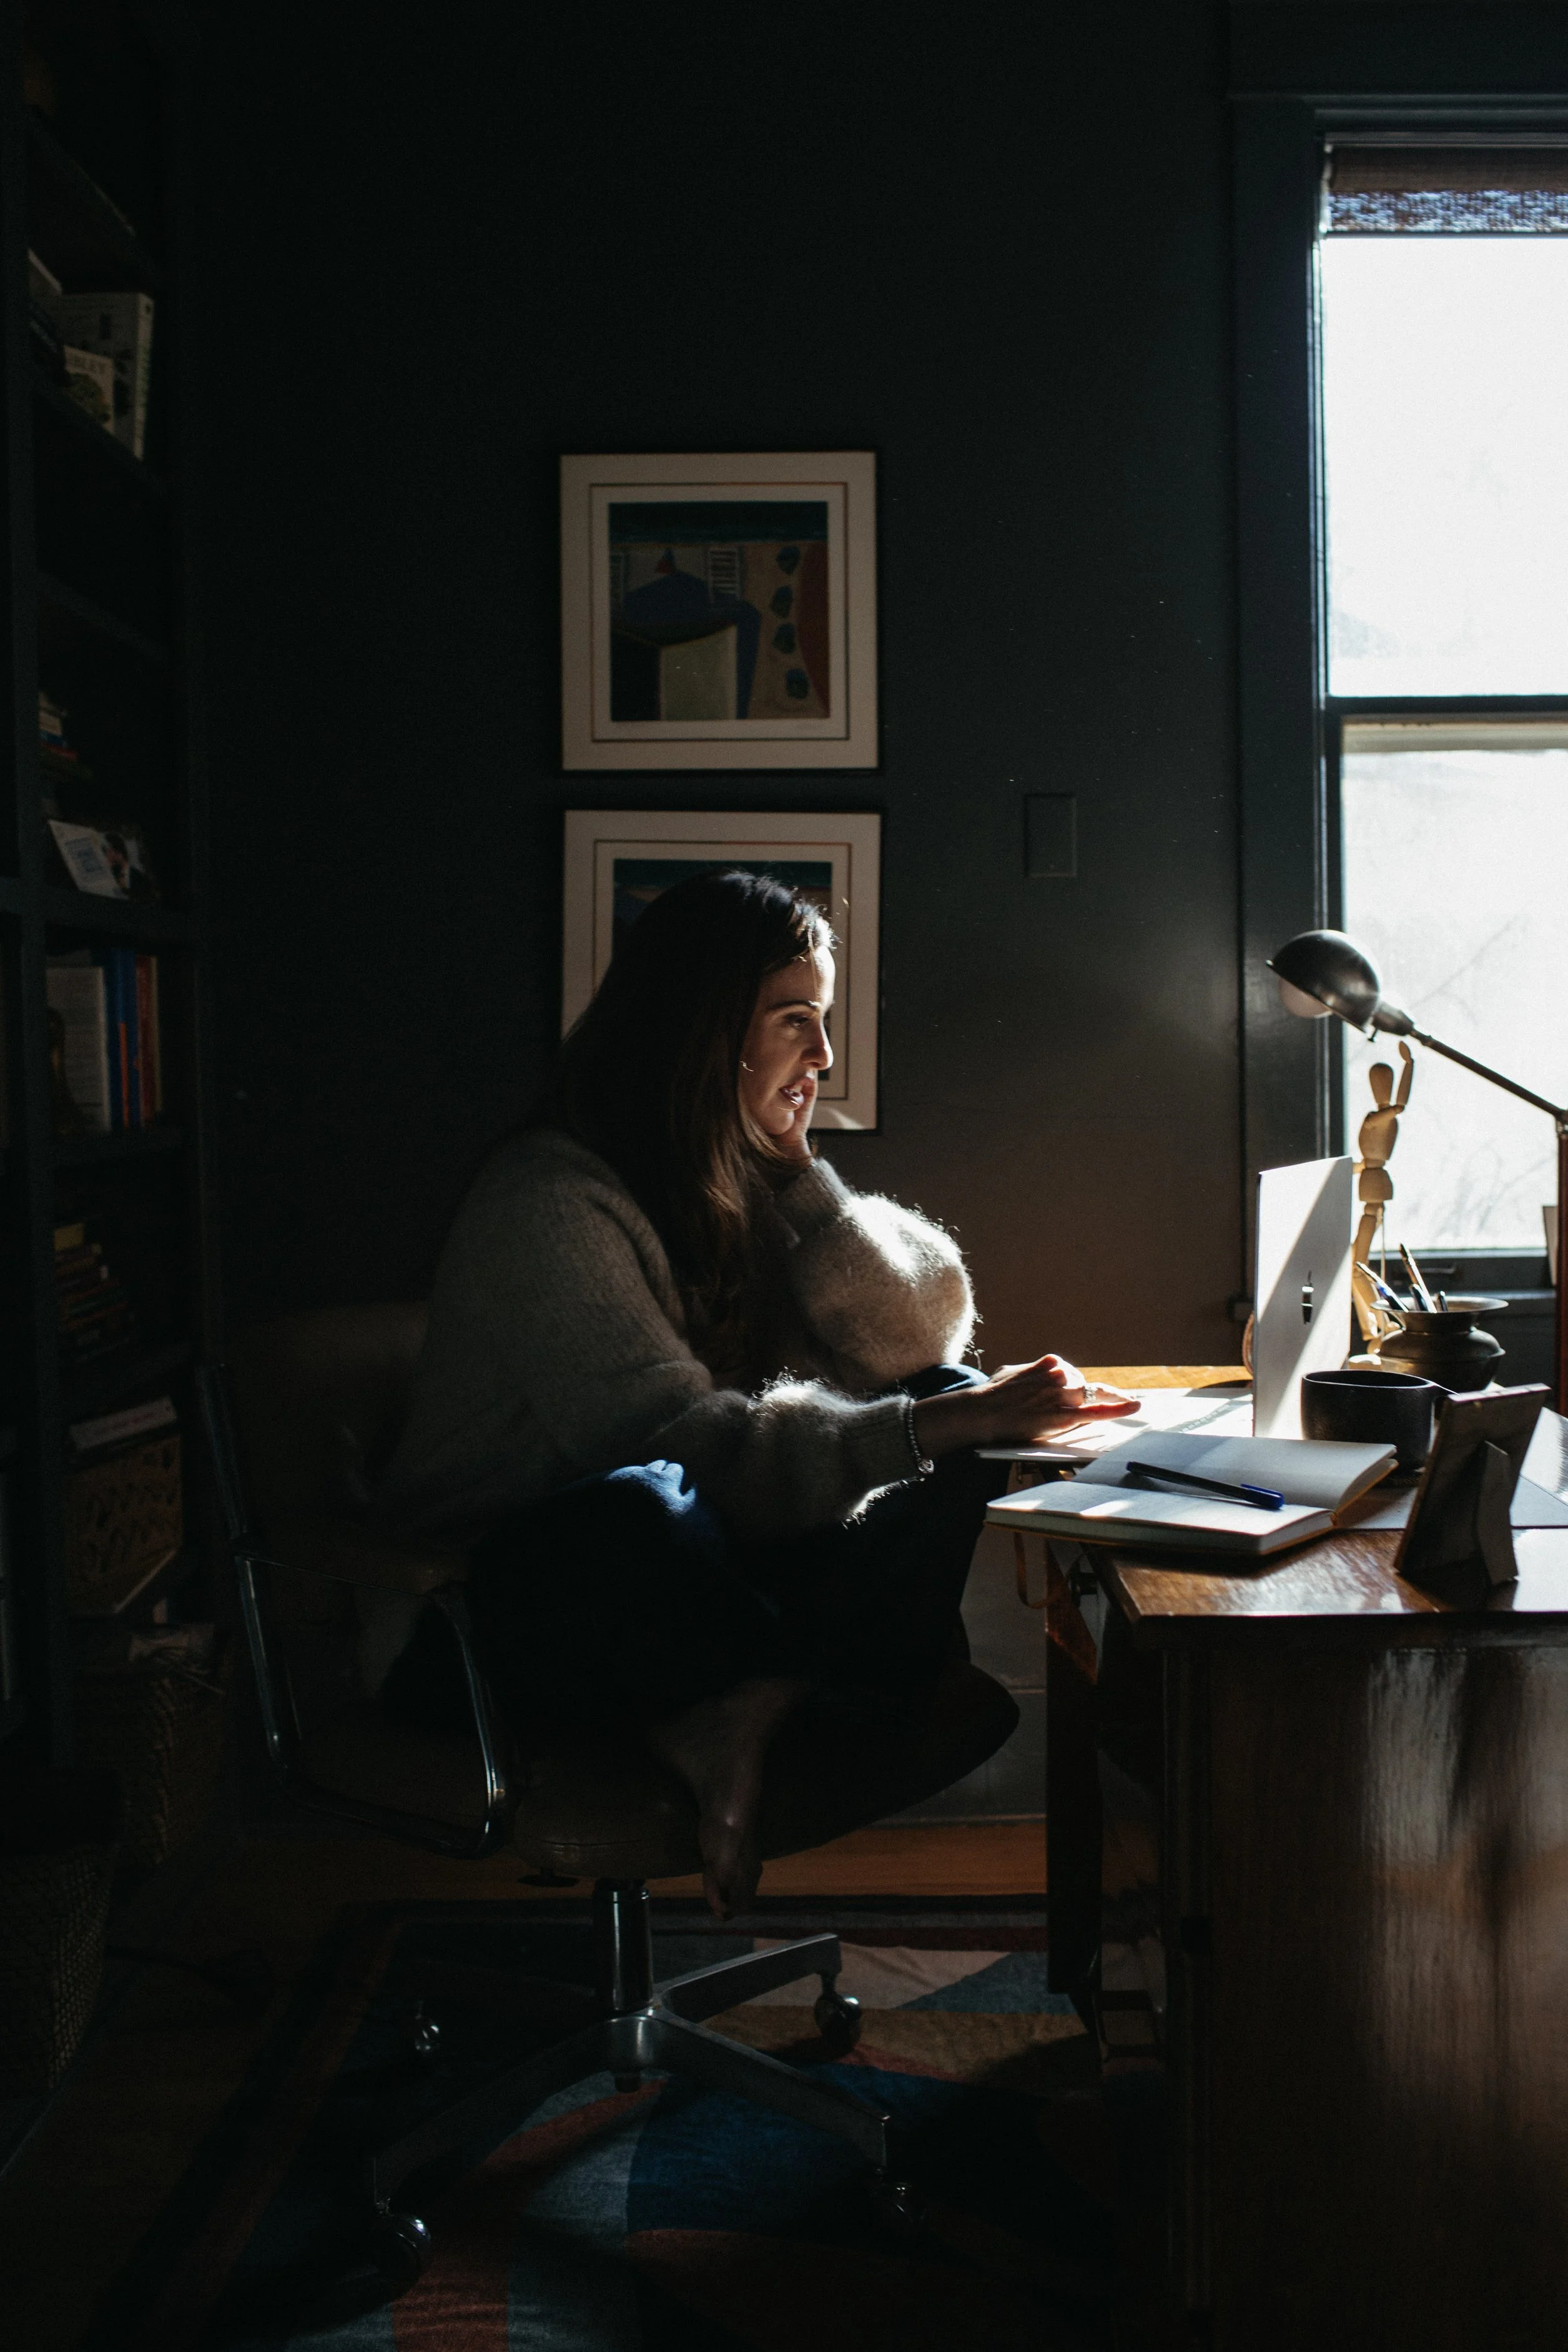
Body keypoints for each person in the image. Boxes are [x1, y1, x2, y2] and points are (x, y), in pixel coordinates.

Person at [381, 871, 1133, 1915]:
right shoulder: (550, 1202)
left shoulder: (734, 1181)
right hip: (496, 1616)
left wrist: (802, 1179)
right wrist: (932, 1422)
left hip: (693, 1597)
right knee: (649, 1502)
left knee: (951, 1399)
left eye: (820, 1023)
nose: (822, 1057)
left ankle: (752, 1699)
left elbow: (917, 1338)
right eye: (796, 1022)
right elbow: (682, 1449)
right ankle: (803, 1685)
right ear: (701, 1027)